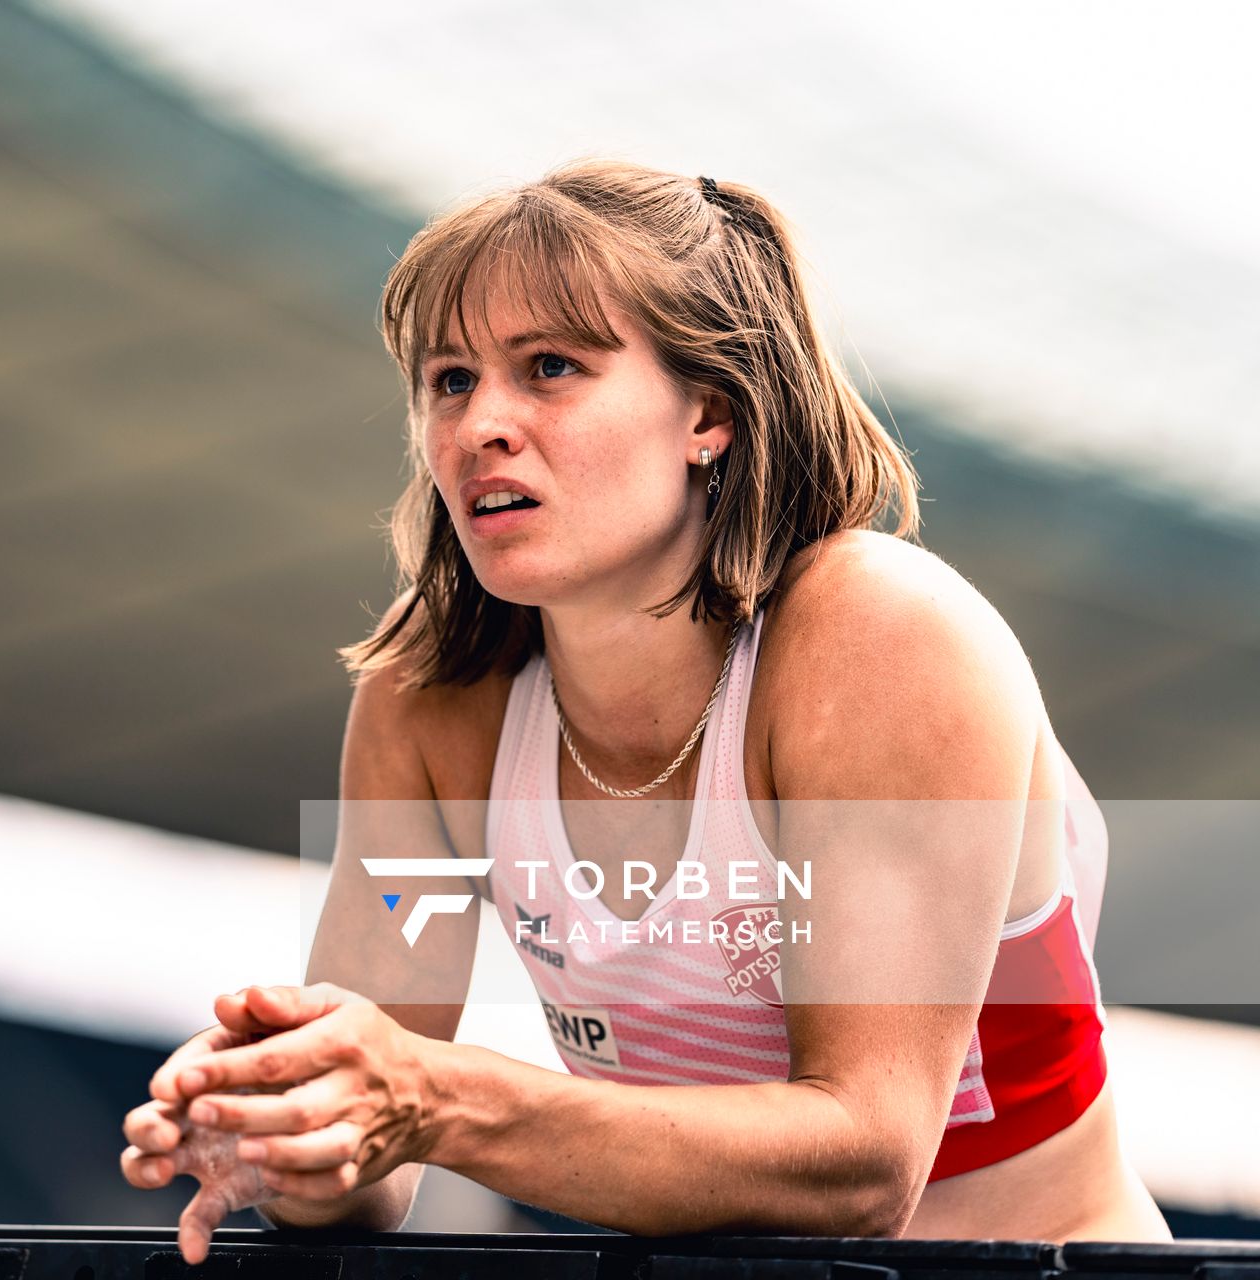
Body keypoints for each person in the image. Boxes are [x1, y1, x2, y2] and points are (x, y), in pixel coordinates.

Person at [119, 158, 1171, 1260]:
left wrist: (435, 1096)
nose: (482, 423)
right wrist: (283, 1119)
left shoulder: (880, 638)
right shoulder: (428, 707)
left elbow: (867, 1159)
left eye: (550, 367)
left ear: (708, 411)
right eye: (449, 380)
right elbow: (373, 1158)